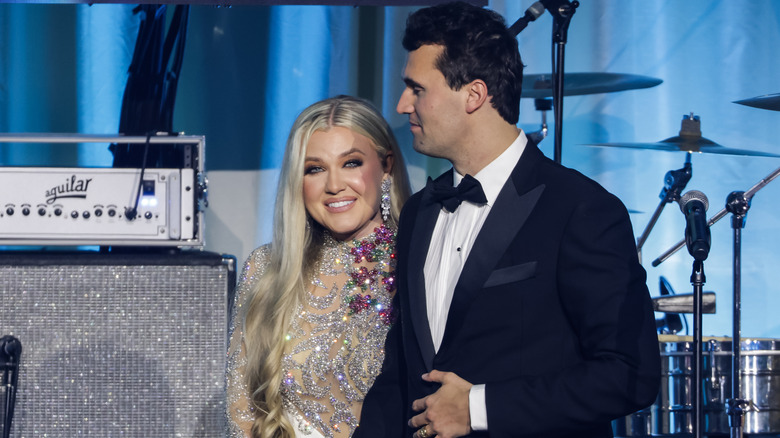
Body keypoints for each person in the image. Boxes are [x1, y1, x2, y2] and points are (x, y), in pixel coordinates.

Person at [356, 3, 661, 438]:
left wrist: (478, 407)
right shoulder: (420, 211)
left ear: (474, 95)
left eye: (416, 89)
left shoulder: (580, 209)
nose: (403, 104)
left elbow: (629, 374)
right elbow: (399, 376)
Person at [226, 95, 411, 438]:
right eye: (315, 169)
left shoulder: (418, 263)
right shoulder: (267, 268)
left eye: (351, 163)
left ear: (387, 166)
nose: (334, 185)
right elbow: (242, 413)